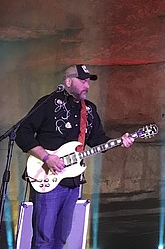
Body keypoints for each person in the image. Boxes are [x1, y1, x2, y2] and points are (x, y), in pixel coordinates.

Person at [16, 64, 134, 249]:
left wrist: (120, 140)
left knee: (61, 238)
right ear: (68, 81)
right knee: (43, 239)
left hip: (72, 182)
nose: (86, 85)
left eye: (88, 81)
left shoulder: (90, 110)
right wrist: (47, 157)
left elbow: (98, 140)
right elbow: (23, 133)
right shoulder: (48, 103)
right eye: (82, 80)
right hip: (46, 178)